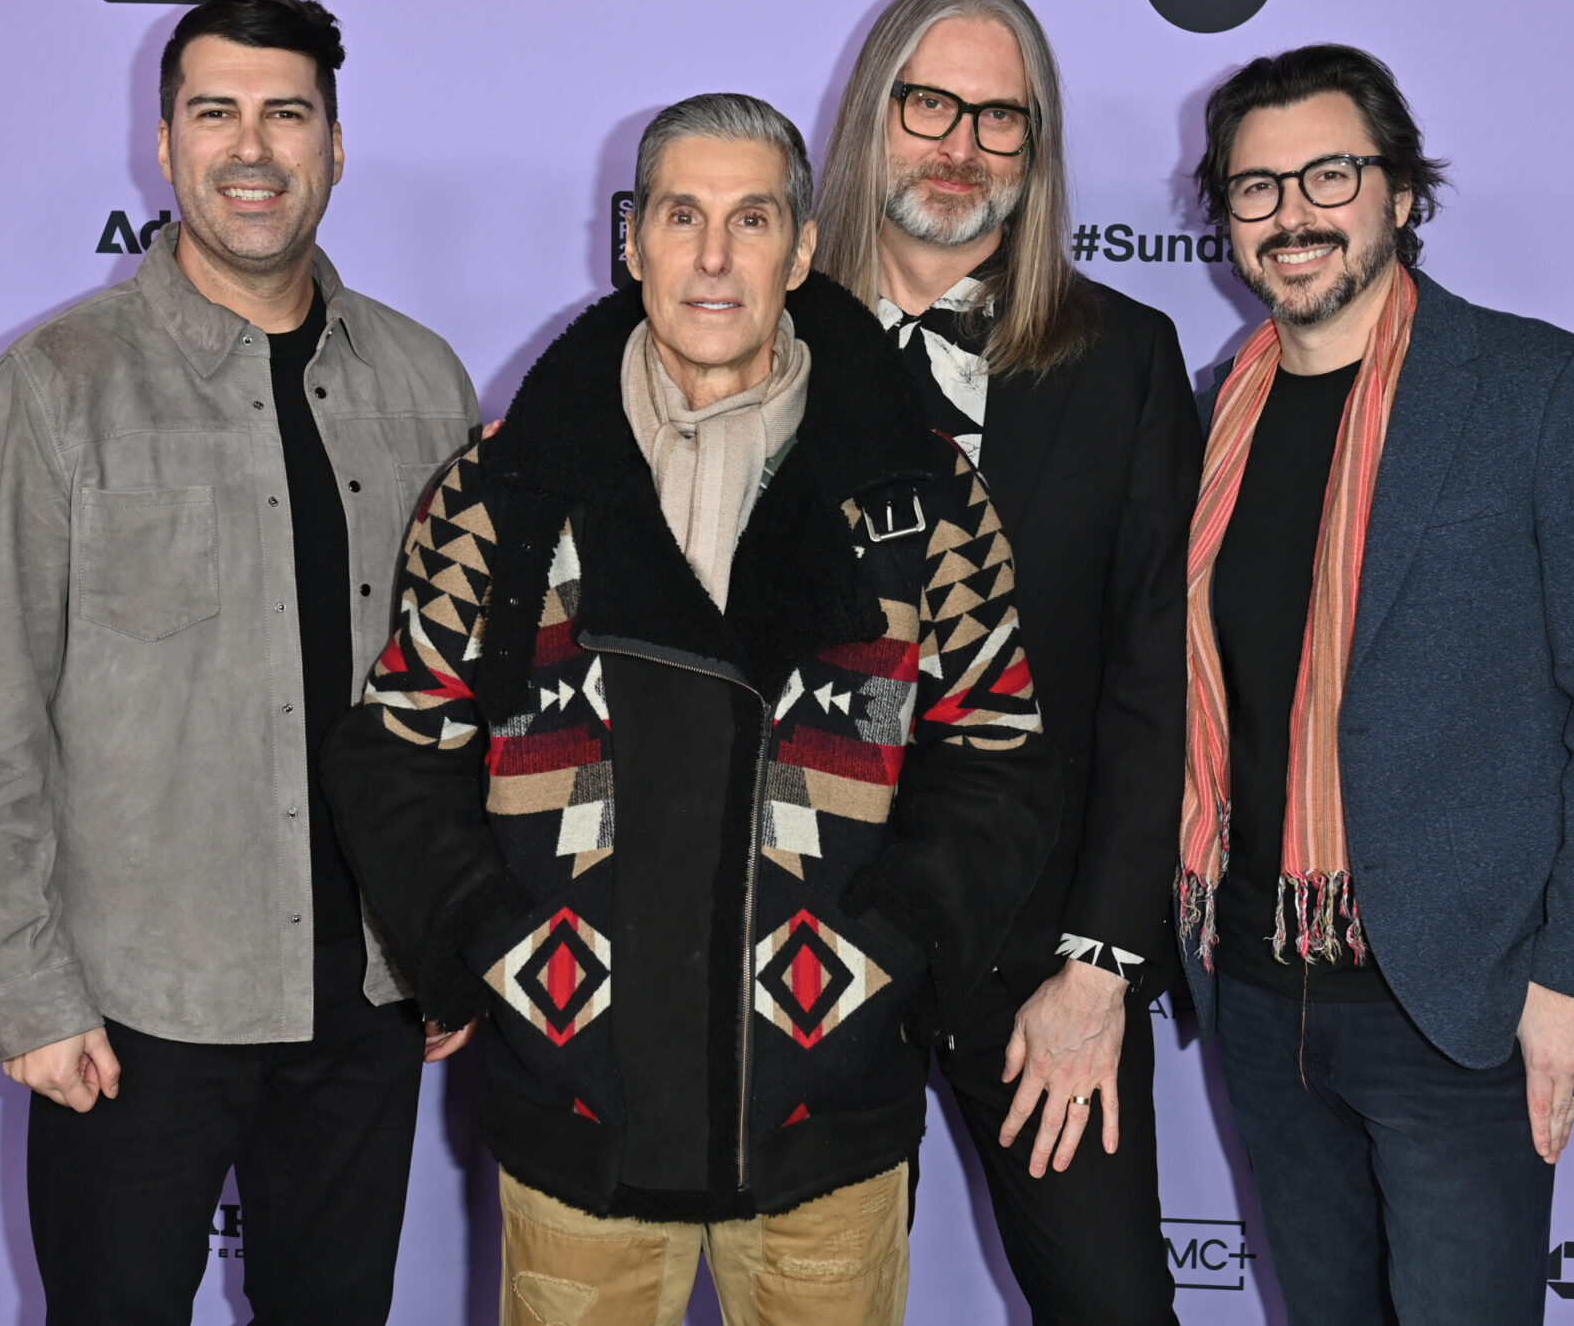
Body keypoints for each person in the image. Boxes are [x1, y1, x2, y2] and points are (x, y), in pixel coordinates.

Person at [322, 92, 1060, 1326]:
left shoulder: (920, 490)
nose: (713, 258)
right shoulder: (503, 489)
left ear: (803, 247)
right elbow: (400, 746)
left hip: (826, 1128)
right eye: (681, 216)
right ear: (631, 241)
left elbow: (997, 749)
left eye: (751, 218)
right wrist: (492, 950)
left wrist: (889, 950)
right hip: (576, 1129)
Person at [0, 0, 479, 1325]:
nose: (252, 146)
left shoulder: (426, 383)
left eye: (287, 113)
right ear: (164, 148)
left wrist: (460, 927)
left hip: (365, 1000)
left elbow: (470, 697)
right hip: (133, 1011)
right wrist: (32, 990)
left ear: (335, 147)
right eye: (214, 111)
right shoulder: (57, 386)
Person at [1178, 43, 1574, 1326]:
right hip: (1253, 989)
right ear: (1224, 218)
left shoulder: (1536, 388)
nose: (1290, 213)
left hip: (1453, 1003)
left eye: (1327, 175)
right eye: (1254, 188)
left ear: (1400, 193)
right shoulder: (1201, 416)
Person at [813, 0, 1199, 1324]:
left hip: (1043, 959)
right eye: (931, 104)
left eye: (1001, 119)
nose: (960, 147)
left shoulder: (1124, 359)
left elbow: (1159, 685)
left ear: (1035, 155)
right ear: (873, 115)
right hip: (803, 952)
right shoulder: (754, 341)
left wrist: (1103, 964)